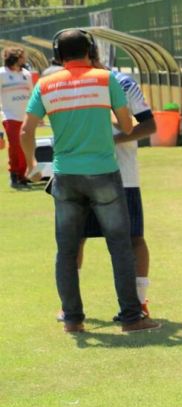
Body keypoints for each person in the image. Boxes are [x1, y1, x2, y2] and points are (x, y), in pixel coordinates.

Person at [20, 28, 159, 334]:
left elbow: (25, 131)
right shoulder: (105, 79)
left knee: (67, 250)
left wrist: (30, 164)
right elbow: (125, 124)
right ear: (91, 49)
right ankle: (131, 317)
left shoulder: (45, 84)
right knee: (120, 246)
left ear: (58, 54)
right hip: (104, 173)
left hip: (66, 175)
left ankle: (72, 319)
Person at [75, 60, 157, 319]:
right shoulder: (67, 84)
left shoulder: (122, 83)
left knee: (133, 238)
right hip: (80, 174)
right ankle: (71, 307)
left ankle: (139, 302)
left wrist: (111, 140)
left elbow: (149, 126)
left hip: (123, 176)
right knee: (75, 239)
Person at [1, 46, 34, 189]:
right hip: (10, 115)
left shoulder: (26, 74)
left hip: (25, 116)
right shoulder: (2, 73)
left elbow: (32, 95)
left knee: (27, 146)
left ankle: (24, 175)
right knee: (15, 145)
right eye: (22, 56)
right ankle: (14, 174)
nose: (24, 59)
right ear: (15, 58)